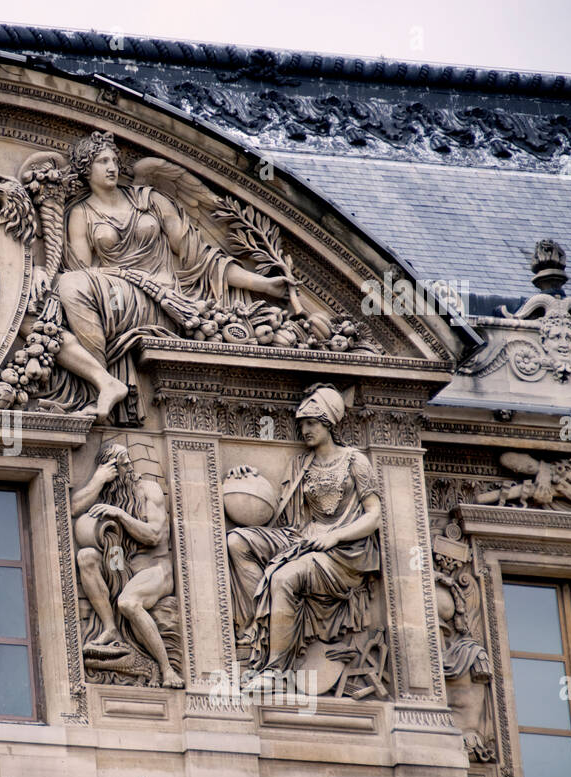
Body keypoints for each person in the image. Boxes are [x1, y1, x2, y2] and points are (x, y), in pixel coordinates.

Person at [55, 131, 295, 423]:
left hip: (166, 301)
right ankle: (102, 382)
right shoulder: (81, 213)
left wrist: (264, 284)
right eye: (102, 161)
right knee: (69, 284)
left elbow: (202, 258)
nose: (112, 167)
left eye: (114, 160)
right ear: (85, 168)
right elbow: (82, 271)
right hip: (117, 298)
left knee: (71, 285)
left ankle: (100, 386)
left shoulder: (152, 200)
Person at [225, 384, 381, 681]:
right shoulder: (300, 463)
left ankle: (276, 669)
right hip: (301, 538)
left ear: (328, 422)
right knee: (238, 541)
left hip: (343, 553)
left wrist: (336, 535)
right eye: (302, 424)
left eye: (311, 423)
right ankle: (257, 628)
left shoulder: (354, 460)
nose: (305, 430)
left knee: (285, 577)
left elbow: (375, 516)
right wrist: (246, 479)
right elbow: (277, 516)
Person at [72, 442, 183, 688]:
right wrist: (97, 481)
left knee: (128, 602)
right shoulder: (107, 494)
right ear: (111, 469)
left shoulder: (148, 490)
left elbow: (154, 535)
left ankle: (167, 670)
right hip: (123, 568)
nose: (131, 469)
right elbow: (71, 508)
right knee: (86, 557)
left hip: (156, 570)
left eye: (129, 463)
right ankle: (110, 628)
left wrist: (120, 515)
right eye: (123, 465)